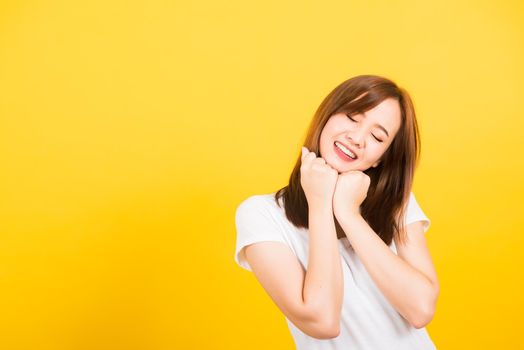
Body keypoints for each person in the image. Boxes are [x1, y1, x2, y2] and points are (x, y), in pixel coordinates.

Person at [234, 74, 439, 349]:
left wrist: (349, 214)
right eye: (352, 118)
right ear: (326, 117)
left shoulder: (397, 202)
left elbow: (421, 309)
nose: (357, 138)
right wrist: (320, 203)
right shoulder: (262, 215)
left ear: (381, 158)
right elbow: (322, 321)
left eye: (377, 136)